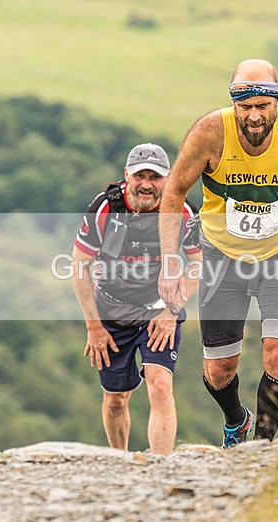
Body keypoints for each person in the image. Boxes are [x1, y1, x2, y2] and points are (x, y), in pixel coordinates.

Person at [157, 58, 278, 448]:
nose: (254, 116)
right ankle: (237, 420)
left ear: (277, 102)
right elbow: (174, 191)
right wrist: (170, 260)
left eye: (263, 106)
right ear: (233, 104)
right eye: (245, 107)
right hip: (221, 258)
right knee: (218, 370)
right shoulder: (210, 132)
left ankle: (257, 446)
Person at [71, 143, 202, 454]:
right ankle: (121, 461)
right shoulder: (106, 208)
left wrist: (171, 311)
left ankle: (160, 468)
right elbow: (79, 266)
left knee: (160, 386)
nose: (146, 184)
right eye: (140, 176)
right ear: (126, 176)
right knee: (116, 400)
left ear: (168, 179)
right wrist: (94, 326)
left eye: (154, 177)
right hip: (111, 311)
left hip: (160, 308)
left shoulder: (183, 210)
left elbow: (200, 265)